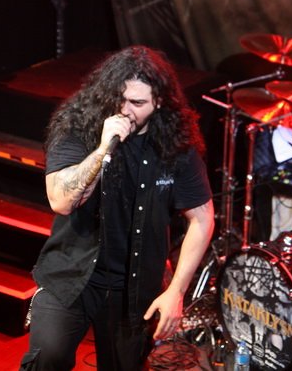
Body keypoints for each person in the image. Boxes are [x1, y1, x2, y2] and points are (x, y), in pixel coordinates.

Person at [20, 46, 214, 370]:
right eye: (118, 99)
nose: (124, 111)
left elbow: (203, 219)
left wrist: (176, 291)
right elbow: (61, 201)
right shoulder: (78, 125)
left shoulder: (176, 144)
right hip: (71, 274)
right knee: (48, 357)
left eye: (137, 103)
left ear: (159, 102)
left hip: (134, 287)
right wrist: (101, 151)